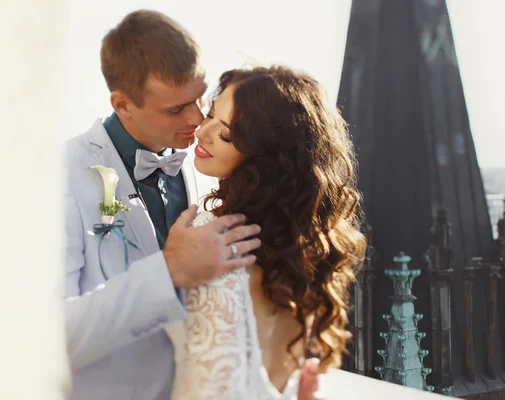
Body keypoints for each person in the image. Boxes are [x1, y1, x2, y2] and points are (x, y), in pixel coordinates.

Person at [62, 9, 322, 400]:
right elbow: (45, 338)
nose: (198, 119)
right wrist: (168, 271)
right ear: (123, 104)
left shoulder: (210, 166)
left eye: (200, 99)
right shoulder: (58, 175)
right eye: (175, 109)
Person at [164, 66, 367, 399]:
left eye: (227, 134)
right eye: (211, 115)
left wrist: (170, 264)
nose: (203, 132)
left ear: (265, 157)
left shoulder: (212, 239)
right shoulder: (303, 254)